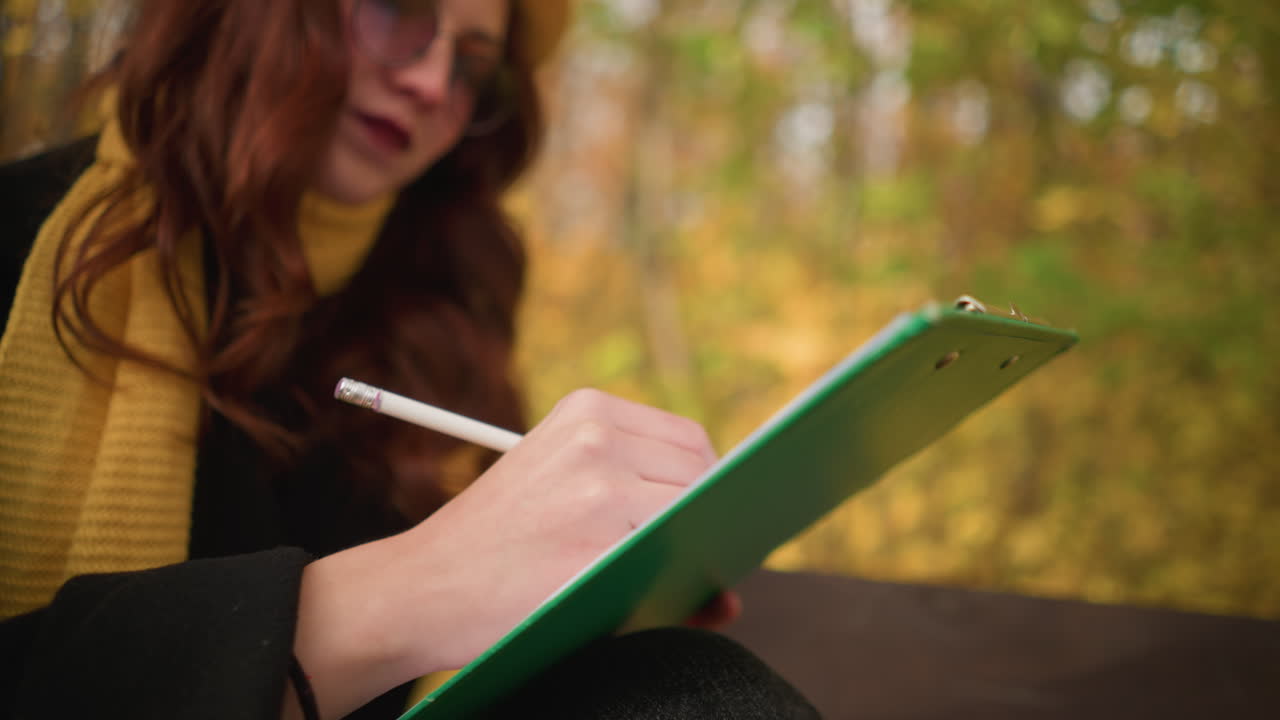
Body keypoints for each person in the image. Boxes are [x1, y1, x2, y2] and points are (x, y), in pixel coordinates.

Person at [0, 0, 820, 718]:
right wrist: (413, 588)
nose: (432, 85)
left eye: (473, 64)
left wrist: (581, 612)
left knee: (694, 685)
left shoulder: (442, 315)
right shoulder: (25, 240)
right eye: (398, 9)